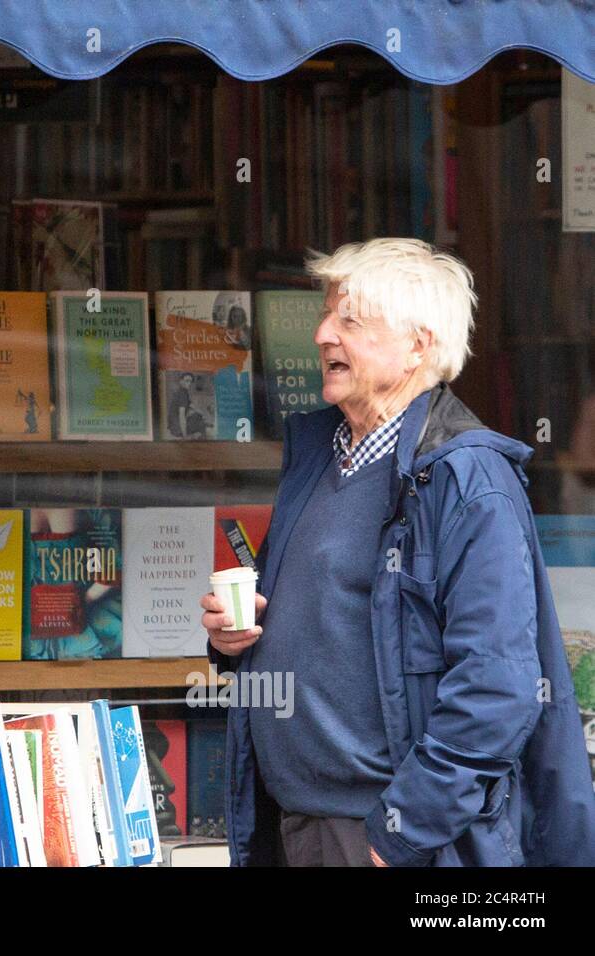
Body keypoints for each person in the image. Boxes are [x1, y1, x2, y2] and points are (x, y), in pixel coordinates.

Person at [201, 237, 595, 867]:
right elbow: (309, 620)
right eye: (327, 316)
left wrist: (402, 831)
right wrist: (230, 640)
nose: (324, 334)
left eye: (350, 320)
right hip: (297, 823)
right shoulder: (318, 456)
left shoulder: (467, 478)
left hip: (393, 840)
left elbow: (497, 687)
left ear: (419, 343)